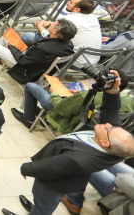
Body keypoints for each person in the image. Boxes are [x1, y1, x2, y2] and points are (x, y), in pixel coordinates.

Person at [19, 70, 134, 215]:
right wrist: (113, 90)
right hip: (70, 178)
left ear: (104, 142)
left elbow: (50, 167)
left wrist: (26, 168)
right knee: (44, 204)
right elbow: (111, 111)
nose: (108, 124)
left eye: (109, 129)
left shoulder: (78, 159)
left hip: (53, 183)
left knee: (43, 204)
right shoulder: (115, 147)